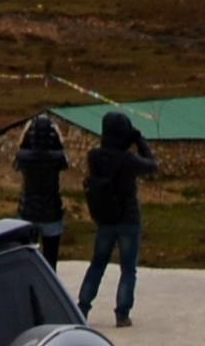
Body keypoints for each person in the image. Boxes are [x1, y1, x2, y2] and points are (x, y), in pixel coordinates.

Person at [75, 111, 152, 326]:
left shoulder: (94, 156)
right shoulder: (128, 159)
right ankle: (122, 313)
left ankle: (82, 308)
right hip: (128, 218)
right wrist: (138, 140)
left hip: (104, 218)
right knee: (128, 269)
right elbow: (152, 165)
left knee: (97, 265)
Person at [11, 113, 68, 263]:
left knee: (26, 260)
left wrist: (24, 134)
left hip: (28, 211)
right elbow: (64, 160)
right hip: (52, 212)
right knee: (51, 260)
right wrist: (59, 136)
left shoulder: (24, 156)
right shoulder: (57, 157)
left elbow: (16, 160)